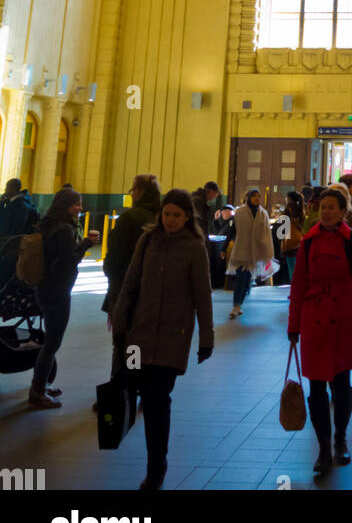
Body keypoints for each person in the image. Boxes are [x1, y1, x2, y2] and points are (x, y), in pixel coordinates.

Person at [112, 187, 214, 490]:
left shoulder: (195, 247)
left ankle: (157, 464)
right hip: (138, 335)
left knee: (158, 400)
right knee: (134, 388)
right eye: (166, 214)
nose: (170, 220)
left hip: (173, 337)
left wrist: (206, 338)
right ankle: (141, 451)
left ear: (187, 217)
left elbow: (202, 296)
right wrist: (119, 323)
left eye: (177, 215)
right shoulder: (147, 240)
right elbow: (130, 283)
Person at [288, 185, 352, 477]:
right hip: (314, 319)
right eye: (322, 207)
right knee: (315, 388)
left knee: (341, 383)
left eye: (331, 207)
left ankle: (340, 438)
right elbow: (298, 285)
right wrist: (293, 325)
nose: (325, 212)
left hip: (344, 318)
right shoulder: (309, 242)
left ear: (342, 212)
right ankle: (323, 447)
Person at [27, 188, 100, 408]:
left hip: (44, 288)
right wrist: (87, 243)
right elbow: (70, 261)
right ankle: (37, 392)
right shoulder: (64, 229)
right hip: (58, 291)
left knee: (50, 341)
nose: (79, 208)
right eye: (76, 204)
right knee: (52, 343)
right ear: (65, 205)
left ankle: (40, 385)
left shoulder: (48, 223)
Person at [101, 175, 162, 372]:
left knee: (123, 342)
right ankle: (140, 385)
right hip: (154, 293)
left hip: (126, 290)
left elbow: (114, 258)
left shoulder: (130, 218)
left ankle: (122, 387)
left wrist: (111, 274)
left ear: (139, 192)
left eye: (133, 190)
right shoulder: (163, 218)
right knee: (143, 342)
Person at [227, 188, 273, 318]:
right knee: (241, 279)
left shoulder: (262, 214)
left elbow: (266, 235)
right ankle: (235, 306)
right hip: (241, 252)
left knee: (247, 280)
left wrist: (266, 251)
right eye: (254, 196)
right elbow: (233, 230)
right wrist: (225, 248)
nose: (257, 198)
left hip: (254, 253)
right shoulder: (240, 212)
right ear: (249, 197)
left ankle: (239, 305)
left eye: (258, 196)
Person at [279, 191, 305, 292]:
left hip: (290, 243)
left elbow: (282, 230)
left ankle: (294, 289)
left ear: (289, 198)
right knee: (298, 267)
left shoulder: (287, 210)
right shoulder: (301, 209)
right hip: (299, 242)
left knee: (291, 268)